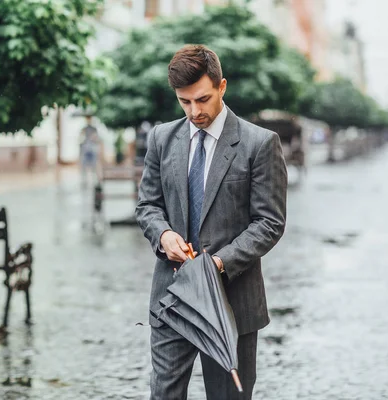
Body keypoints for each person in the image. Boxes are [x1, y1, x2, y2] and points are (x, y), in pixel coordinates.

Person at [135, 44, 287, 399]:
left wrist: (218, 264)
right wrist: (164, 236)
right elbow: (147, 205)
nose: (194, 111)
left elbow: (269, 222)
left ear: (222, 87)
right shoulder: (161, 138)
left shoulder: (260, 144)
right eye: (184, 101)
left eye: (202, 99)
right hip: (171, 299)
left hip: (231, 303)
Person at [79, 115, 102, 187]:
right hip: (86, 149)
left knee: (94, 165)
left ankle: (94, 181)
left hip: (92, 149)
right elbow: (80, 138)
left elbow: (97, 138)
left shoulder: (94, 129)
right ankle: (84, 181)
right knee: (84, 166)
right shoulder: (84, 129)